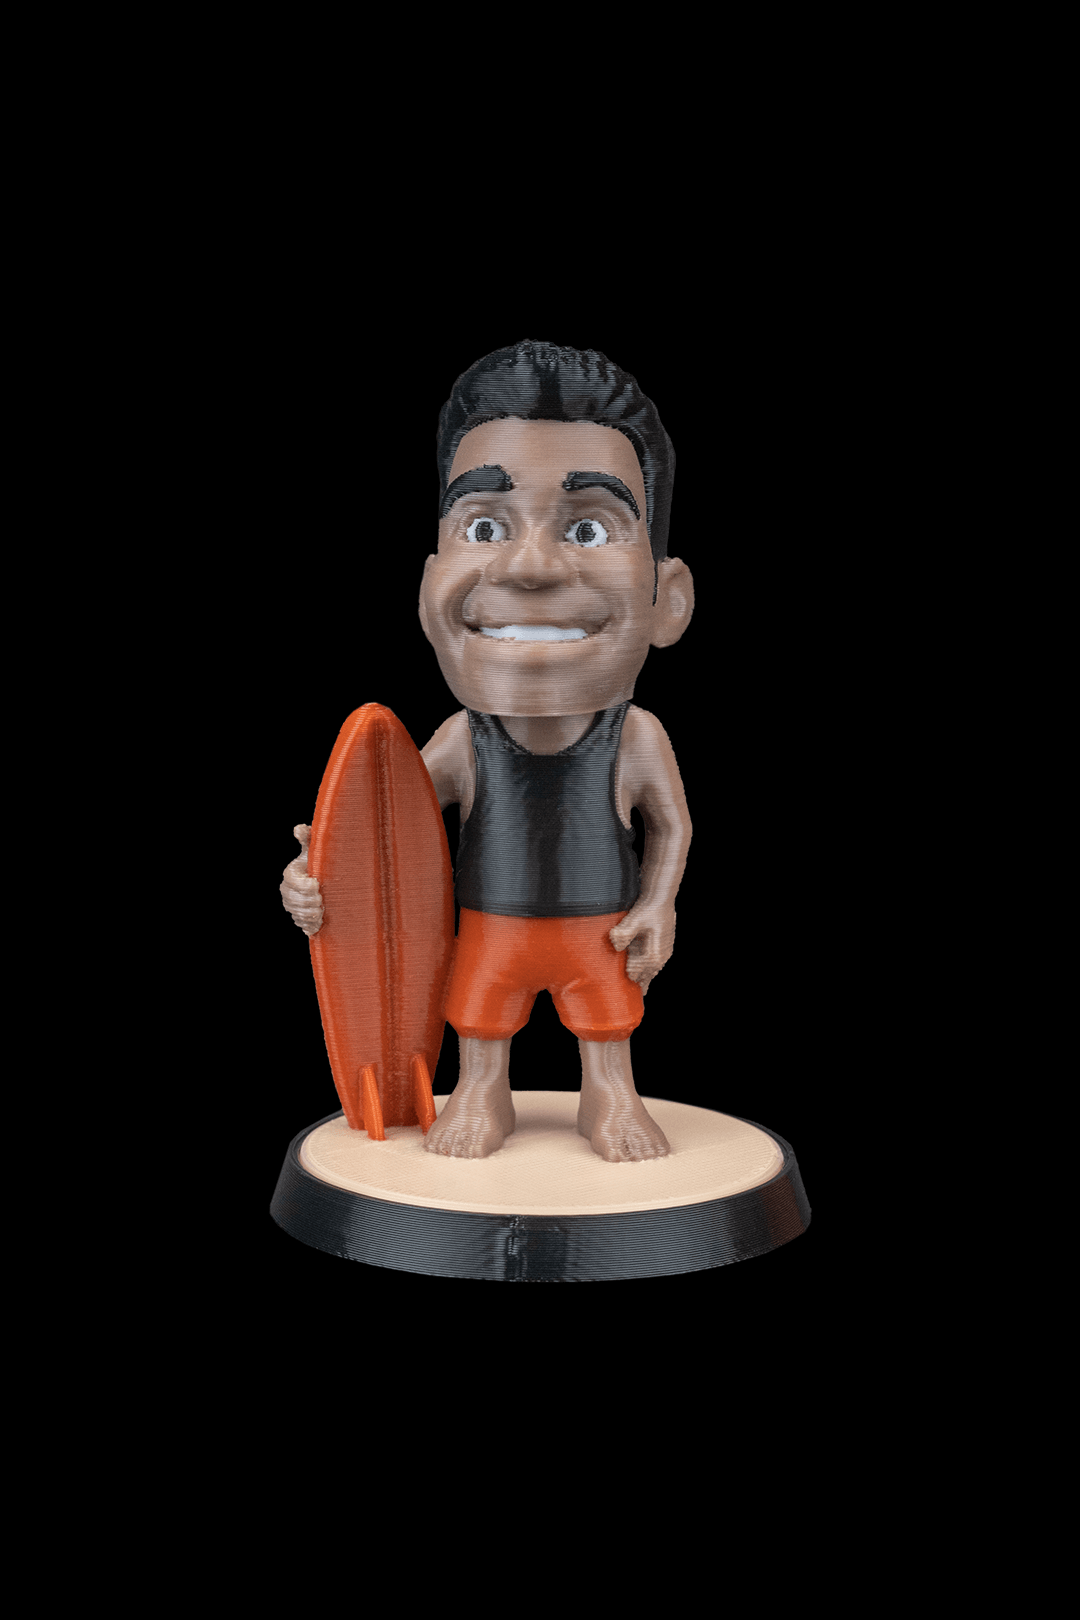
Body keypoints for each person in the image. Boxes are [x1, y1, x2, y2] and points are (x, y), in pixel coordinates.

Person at [281, 341, 693, 1162]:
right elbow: (381, 821)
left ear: (667, 601)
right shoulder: (462, 741)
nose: (530, 566)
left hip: (600, 928)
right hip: (490, 927)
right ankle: (480, 1091)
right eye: (483, 525)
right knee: (478, 1013)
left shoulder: (637, 737)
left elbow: (673, 827)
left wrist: (658, 905)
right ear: (428, 590)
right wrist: (320, 875)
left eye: (588, 527)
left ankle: (610, 1095)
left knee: (606, 1020)